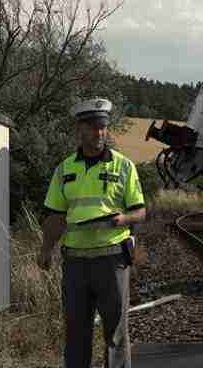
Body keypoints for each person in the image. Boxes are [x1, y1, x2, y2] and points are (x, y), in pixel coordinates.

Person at [36, 98, 146, 368]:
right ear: (80, 130)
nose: (99, 133)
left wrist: (124, 219)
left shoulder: (124, 166)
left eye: (103, 127)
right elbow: (54, 216)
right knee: (76, 333)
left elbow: (140, 212)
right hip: (75, 264)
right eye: (93, 127)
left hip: (113, 261)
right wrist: (45, 250)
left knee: (116, 334)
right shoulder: (64, 169)